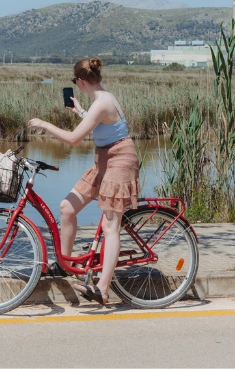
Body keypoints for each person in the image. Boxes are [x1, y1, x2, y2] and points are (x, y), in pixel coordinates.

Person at [27, 57, 139, 305]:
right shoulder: (102, 100)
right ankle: (64, 263)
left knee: (110, 227)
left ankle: (102, 288)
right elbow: (101, 125)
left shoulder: (102, 103)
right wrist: (79, 111)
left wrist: (44, 124)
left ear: (80, 82)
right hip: (104, 159)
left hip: (120, 161)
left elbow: (73, 139)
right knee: (67, 207)